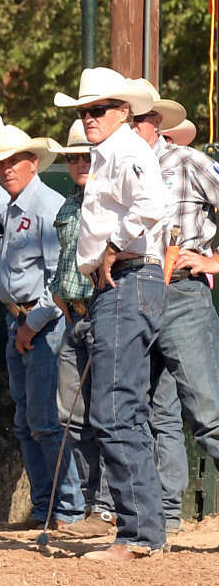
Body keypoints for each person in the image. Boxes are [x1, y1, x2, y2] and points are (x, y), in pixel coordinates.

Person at [55, 68, 172, 560]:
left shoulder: (126, 151)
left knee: (115, 408)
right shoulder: (116, 153)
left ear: (124, 112)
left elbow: (154, 205)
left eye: (97, 109)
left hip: (127, 280)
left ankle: (138, 535)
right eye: (84, 111)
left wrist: (114, 249)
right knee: (120, 407)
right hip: (123, 283)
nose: (88, 118)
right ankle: (144, 529)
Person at [0, 125, 83, 529]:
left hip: (39, 324)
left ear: (34, 163)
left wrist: (31, 324)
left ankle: (64, 509)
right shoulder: (18, 204)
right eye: (2, 163)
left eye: (14, 161)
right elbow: (3, 204)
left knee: (46, 421)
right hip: (21, 321)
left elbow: (58, 282)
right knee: (29, 421)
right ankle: (47, 507)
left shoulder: (46, 206)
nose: (7, 169)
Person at [139, 84, 219, 535]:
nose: (130, 126)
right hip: (132, 293)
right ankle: (155, 521)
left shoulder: (190, 162)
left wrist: (212, 261)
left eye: (137, 118)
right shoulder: (114, 166)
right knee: (140, 412)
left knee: (209, 415)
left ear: (156, 123)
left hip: (180, 291)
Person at [50, 121, 117, 535]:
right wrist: (57, 293)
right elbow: (63, 258)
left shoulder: (110, 202)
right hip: (73, 316)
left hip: (103, 312)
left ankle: (108, 507)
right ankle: (95, 504)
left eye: (85, 156)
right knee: (70, 418)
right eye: (72, 156)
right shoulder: (68, 205)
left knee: (110, 413)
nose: (78, 162)